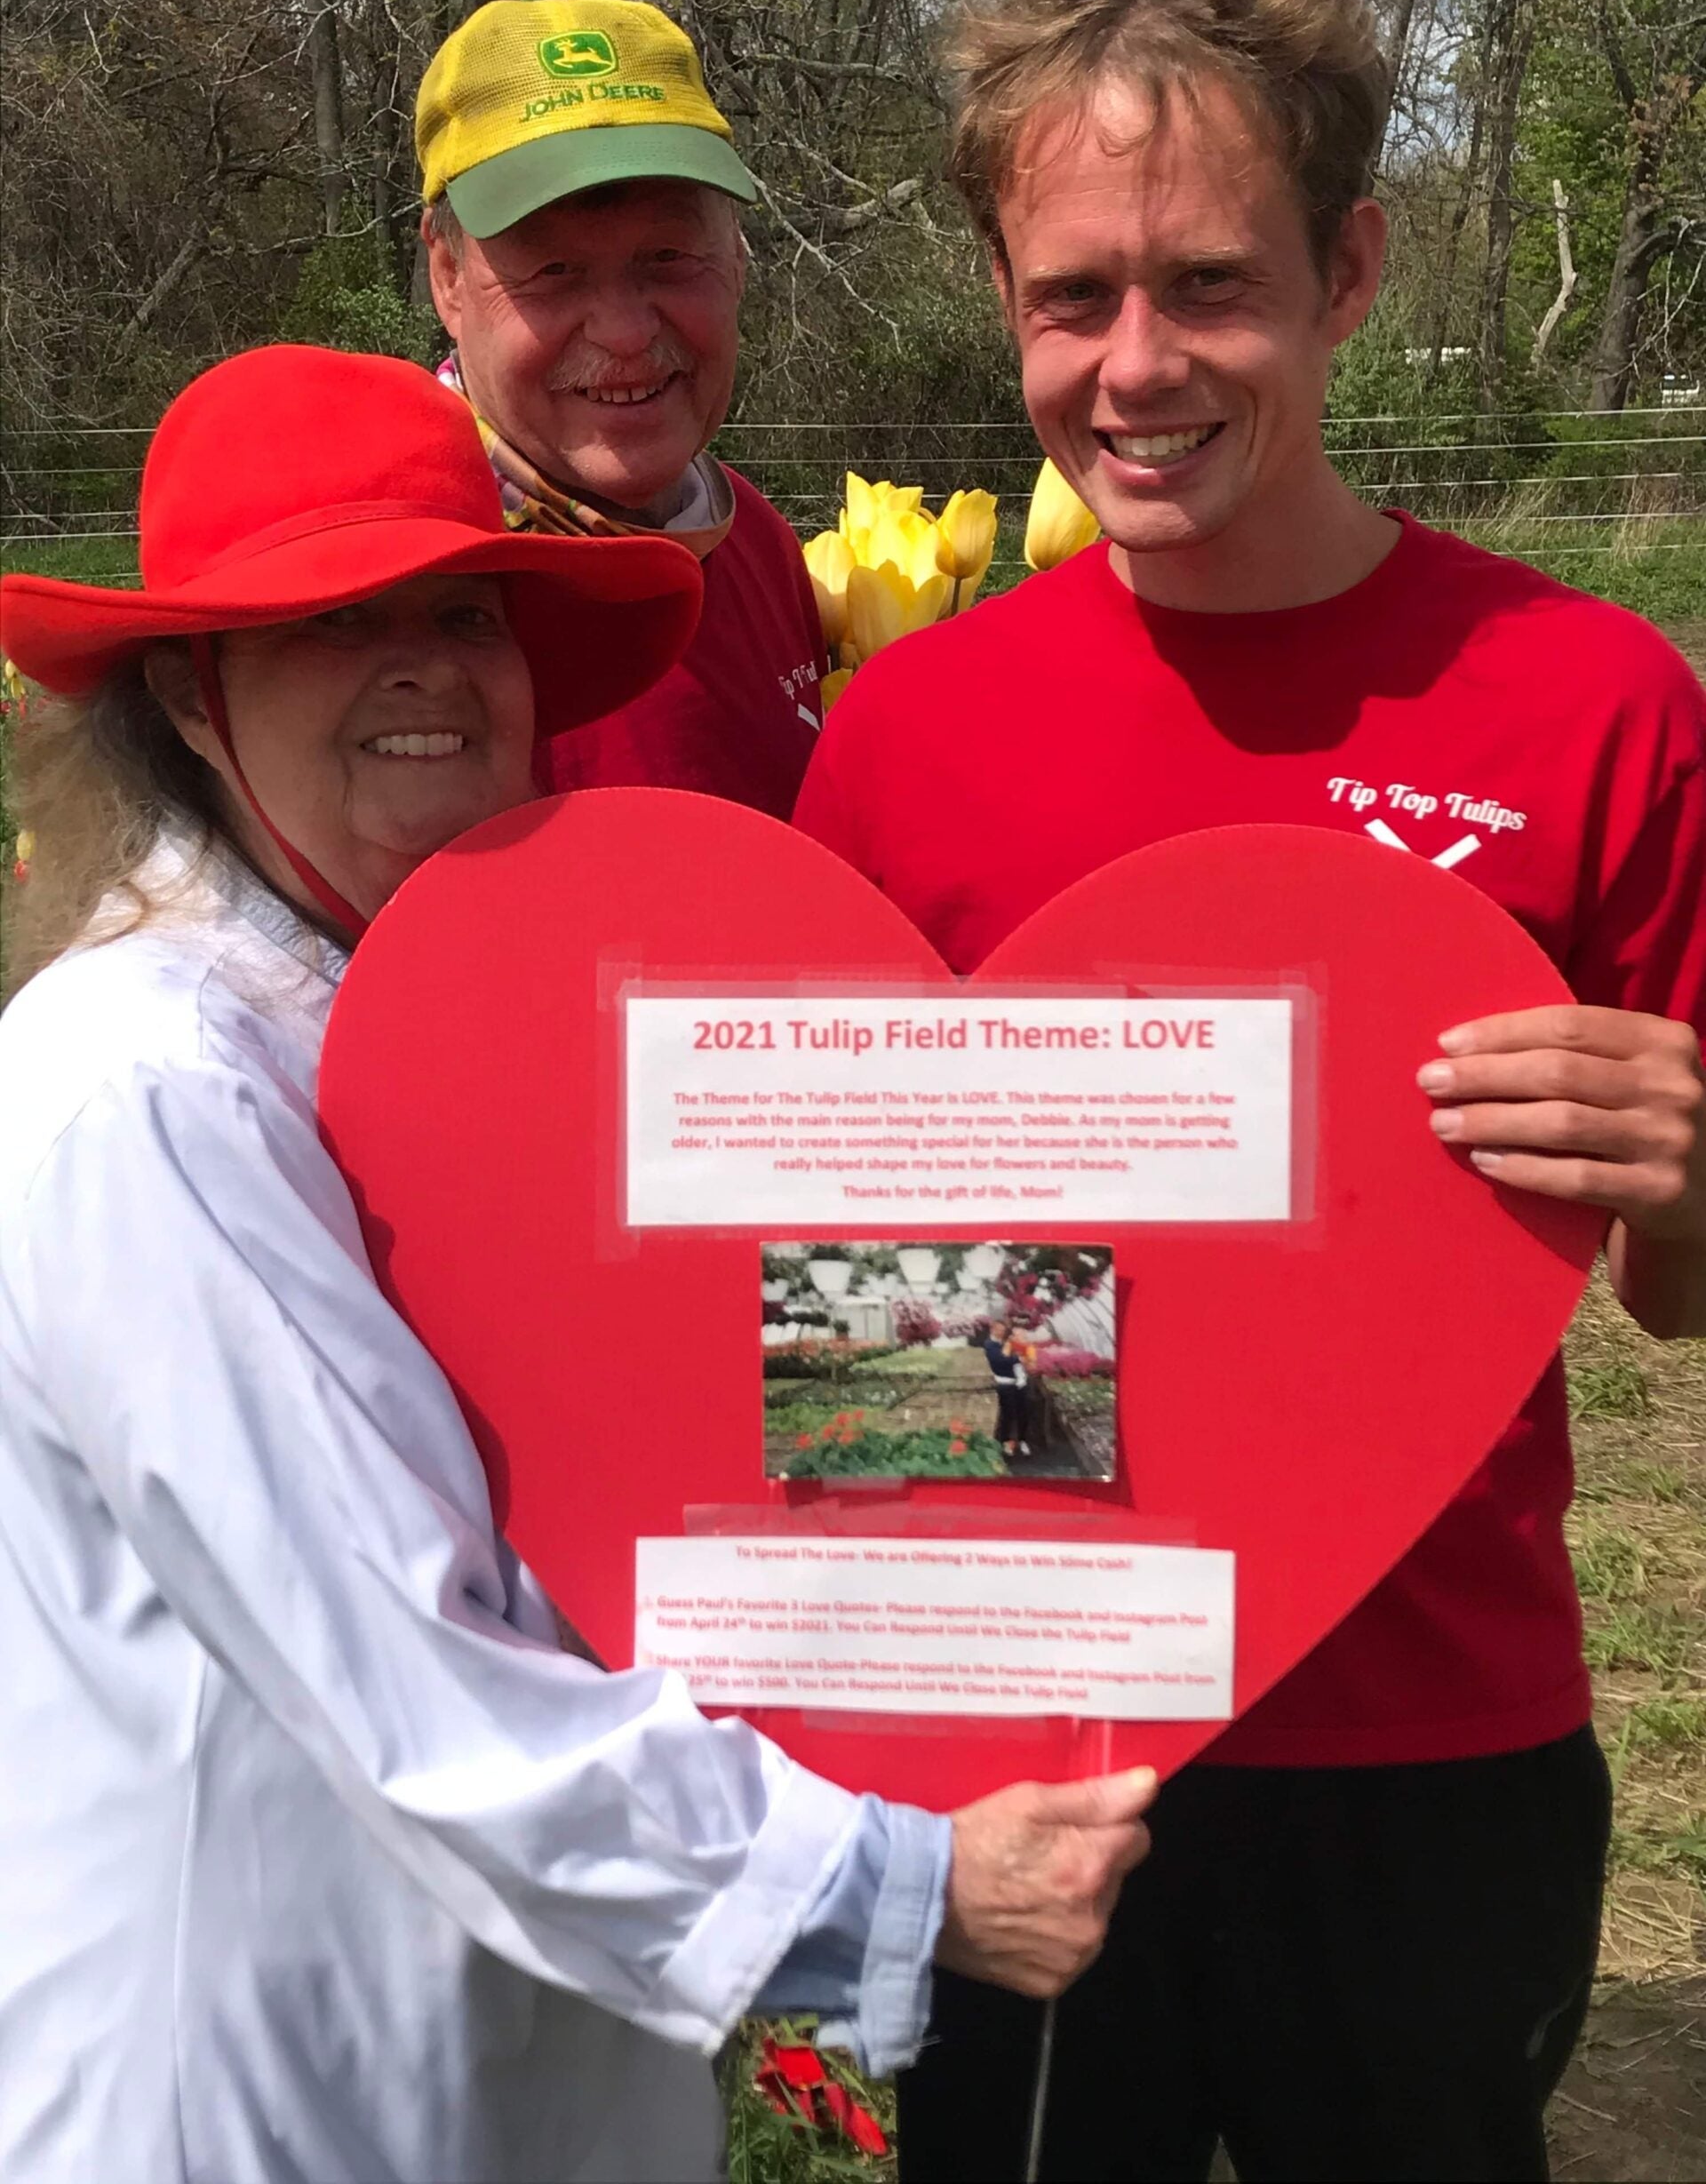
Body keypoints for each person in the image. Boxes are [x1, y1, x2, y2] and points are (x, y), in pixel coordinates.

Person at [0, 345, 1159, 2184]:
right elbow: (411, 1669)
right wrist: (913, 1879)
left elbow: (721, 1371)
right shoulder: (148, 1090)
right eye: (334, 620)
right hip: (265, 2068)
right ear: (192, 694)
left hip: (537, 2043)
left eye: (468, 609)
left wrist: (1122, 1385)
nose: (427, 666)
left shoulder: (491, 1026)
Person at [793, 0, 1706, 2180]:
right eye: (1069, 296)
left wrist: (1692, 1170)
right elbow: (852, 1304)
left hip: (1432, 1739)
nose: (1135, 363)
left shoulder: (1590, 700)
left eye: (1207, 282)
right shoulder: (903, 735)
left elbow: (1674, 1290)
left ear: (1351, 268)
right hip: (1033, 1758)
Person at [416, 0, 828, 817]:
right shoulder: (392, 583)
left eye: (669, 256)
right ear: (450, 278)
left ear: (738, 259)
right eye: (554, 271)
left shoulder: (754, 542)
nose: (629, 333)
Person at [982, 1316, 1032, 1459]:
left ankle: (1023, 1440)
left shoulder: (1004, 1342)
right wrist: (1018, 1359)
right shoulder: (990, 1344)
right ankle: (1006, 1443)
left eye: (1003, 1330)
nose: (1001, 1332)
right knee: (1008, 1415)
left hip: (1018, 1382)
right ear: (992, 1329)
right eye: (998, 1329)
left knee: (1024, 1413)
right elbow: (999, 1361)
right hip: (1005, 1384)